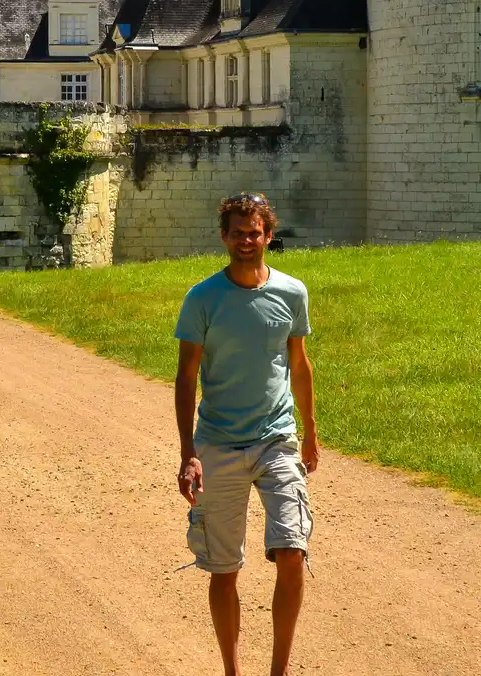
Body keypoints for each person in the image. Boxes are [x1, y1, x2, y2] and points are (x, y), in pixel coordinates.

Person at [174, 193, 319, 676]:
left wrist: (311, 432)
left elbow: (298, 363)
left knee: (292, 550)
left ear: (268, 235)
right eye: (238, 232)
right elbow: (186, 376)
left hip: (277, 438)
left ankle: (279, 670)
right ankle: (232, 671)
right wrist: (188, 453)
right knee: (223, 568)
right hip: (217, 443)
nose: (246, 241)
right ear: (224, 237)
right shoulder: (202, 298)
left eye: (254, 232)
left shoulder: (292, 292)